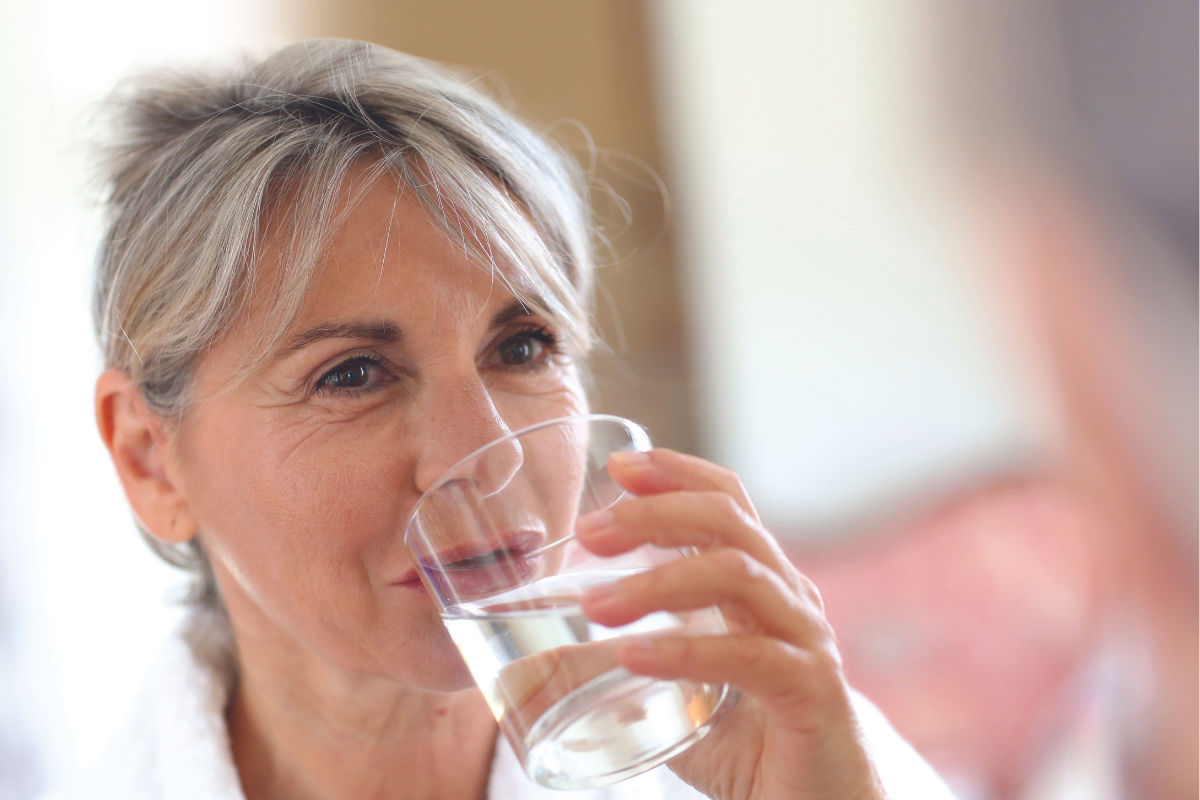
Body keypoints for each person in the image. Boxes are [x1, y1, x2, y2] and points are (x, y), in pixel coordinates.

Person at [55, 39, 955, 800]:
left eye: (522, 347)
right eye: (353, 373)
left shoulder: (776, 751)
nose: (483, 455)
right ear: (150, 462)